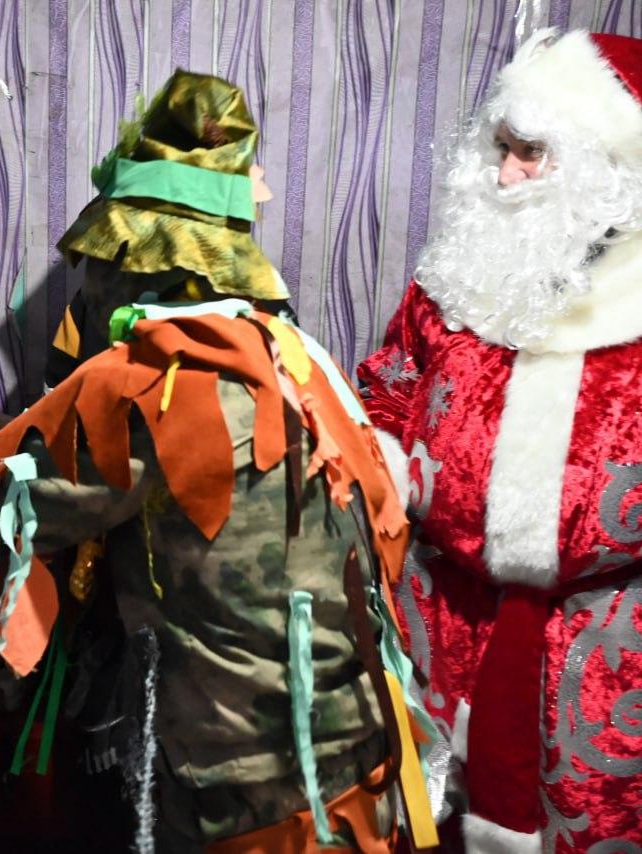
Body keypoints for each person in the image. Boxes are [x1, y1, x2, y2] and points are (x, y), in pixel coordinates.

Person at [0, 70, 415, 852]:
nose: (88, 287)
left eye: (101, 262)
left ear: (136, 267)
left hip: (249, 786)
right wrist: (11, 429)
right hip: (349, 755)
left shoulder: (161, 381)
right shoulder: (288, 354)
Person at [358, 29, 642, 851]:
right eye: (502, 148)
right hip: (436, 610)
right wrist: (377, 463)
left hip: (603, 641)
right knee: (420, 818)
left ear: (606, 171)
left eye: (531, 154)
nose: (505, 173)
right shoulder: (459, 271)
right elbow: (390, 384)